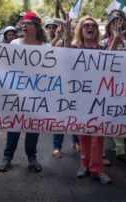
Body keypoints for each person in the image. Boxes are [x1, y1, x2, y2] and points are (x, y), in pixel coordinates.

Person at [0, 12, 47, 173]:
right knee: (14, 126)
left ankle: (32, 158)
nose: (24, 26)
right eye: (23, 23)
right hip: (16, 94)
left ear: (37, 27)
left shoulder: (46, 48)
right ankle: (7, 157)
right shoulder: (14, 44)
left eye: (29, 23)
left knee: (33, 127)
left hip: (37, 96)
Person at [66, 16, 111, 184]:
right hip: (80, 96)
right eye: (86, 26)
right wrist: (66, 36)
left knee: (97, 135)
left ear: (96, 30)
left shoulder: (103, 48)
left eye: (93, 25)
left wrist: (117, 39)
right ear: (81, 30)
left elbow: (113, 63)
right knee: (83, 132)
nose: (90, 28)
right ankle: (85, 163)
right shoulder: (75, 48)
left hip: (99, 97)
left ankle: (97, 169)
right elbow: (64, 56)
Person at [100, 13, 126, 164]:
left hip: (121, 87)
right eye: (114, 23)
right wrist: (115, 39)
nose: (117, 26)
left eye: (120, 24)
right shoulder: (102, 43)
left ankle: (120, 150)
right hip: (104, 86)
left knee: (119, 118)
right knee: (102, 119)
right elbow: (106, 61)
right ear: (109, 26)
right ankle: (99, 154)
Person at [52, 18, 80, 157]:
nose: (73, 30)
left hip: (78, 86)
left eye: (75, 28)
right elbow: (48, 55)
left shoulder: (82, 45)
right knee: (61, 116)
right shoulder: (59, 43)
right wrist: (59, 36)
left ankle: (76, 142)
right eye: (71, 28)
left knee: (76, 114)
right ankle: (57, 146)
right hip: (62, 85)